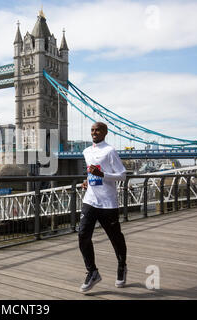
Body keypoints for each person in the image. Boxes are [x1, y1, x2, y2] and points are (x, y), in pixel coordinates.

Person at [78, 122, 128, 293]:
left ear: (105, 133)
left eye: (98, 130)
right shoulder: (86, 151)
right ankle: (92, 272)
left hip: (108, 203)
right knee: (83, 235)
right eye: (92, 130)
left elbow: (122, 175)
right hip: (90, 200)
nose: (94, 132)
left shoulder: (110, 151)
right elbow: (91, 172)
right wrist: (88, 181)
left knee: (115, 238)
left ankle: (122, 267)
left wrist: (103, 175)